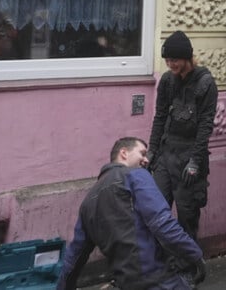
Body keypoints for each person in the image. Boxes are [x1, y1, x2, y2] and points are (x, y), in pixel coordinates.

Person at [57, 137, 205, 290]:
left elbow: (74, 257)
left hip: (125, 283)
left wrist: (64, 286)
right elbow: (162, 222)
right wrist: (194, 254)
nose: (146, 159)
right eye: (142, 153)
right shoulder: (135, 176)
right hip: (159, 279)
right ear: (124, 153)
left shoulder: (88, 202)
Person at [149, 31, 217, 241]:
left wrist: (195, 161)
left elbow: (205, 126)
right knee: (157, 210)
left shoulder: (205, 83)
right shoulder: (168, 81)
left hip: (189, 157)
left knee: (187, 216)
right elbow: (159, 117)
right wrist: (152, 151)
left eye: (175, 60)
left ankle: (188, 266)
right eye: (167, 60)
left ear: (187, 58)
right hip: (166, 153)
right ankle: (160, 261)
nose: (171, 65)